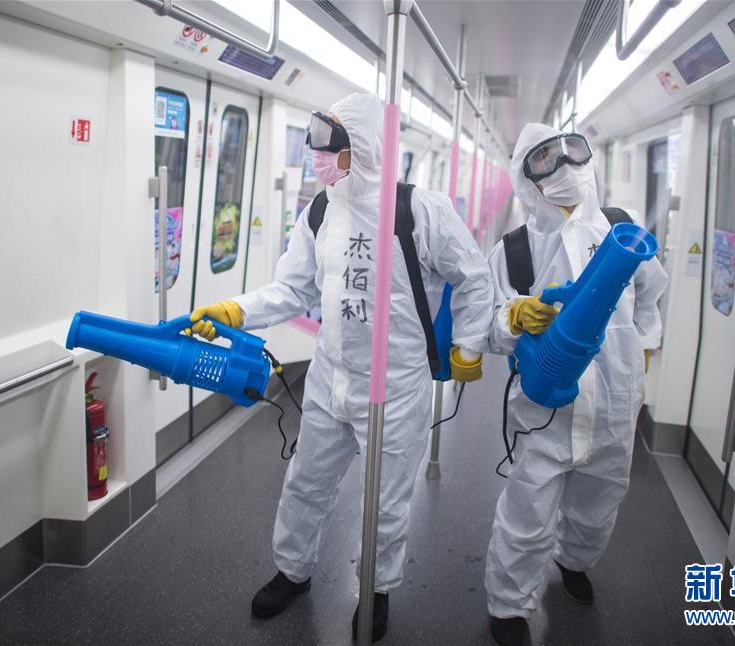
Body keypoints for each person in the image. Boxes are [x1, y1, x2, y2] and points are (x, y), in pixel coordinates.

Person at [189, 92, 493, 643]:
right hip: (331, 376)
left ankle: (375, 589)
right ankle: (293, 570)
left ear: (365, 146)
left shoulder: (420, 210)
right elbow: (293, 288)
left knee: (385, 500)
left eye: (329, 145)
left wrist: (469, 344)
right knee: (306, 481)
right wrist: (238, 310)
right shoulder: (320, 211)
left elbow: (473, 278)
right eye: (315, 144)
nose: (318, 156)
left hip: (395, 385)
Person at [483, 123, 668, 646]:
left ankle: (575, 561)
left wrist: (643, 347)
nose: (564, 166)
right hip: (544, 409)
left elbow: (651, 294)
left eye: (572, 151)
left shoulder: (620, 229)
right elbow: (486, 324)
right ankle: (508, 605)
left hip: (614, 402)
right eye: (545, 159)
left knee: (600, 500)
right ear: (528, 179)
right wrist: (514, 316)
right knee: (528, 510)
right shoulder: (514, 250)